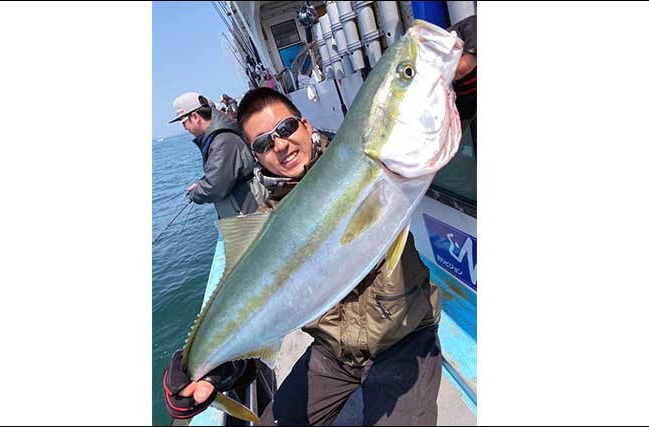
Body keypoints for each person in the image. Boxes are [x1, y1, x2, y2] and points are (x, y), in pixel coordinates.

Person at [164, 88, 443, 426]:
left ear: (305, 123)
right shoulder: (265, 223)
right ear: (255, 156)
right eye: (263, 144)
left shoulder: (364, 159)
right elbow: (260, 318)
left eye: (285, 128)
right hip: (333, 353)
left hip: (404, 338)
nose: (279, 145)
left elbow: (432, 119)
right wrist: (211, 373)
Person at [168, 92, 266, 219]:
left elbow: (215, 187)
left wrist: (195, 193)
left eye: (183, 122)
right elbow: (223, 172)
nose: (184, 127)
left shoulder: (222, 141)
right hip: (245, 209)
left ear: (195, 116)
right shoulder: (218, 138)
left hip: (249, 212)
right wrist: (201, 182)